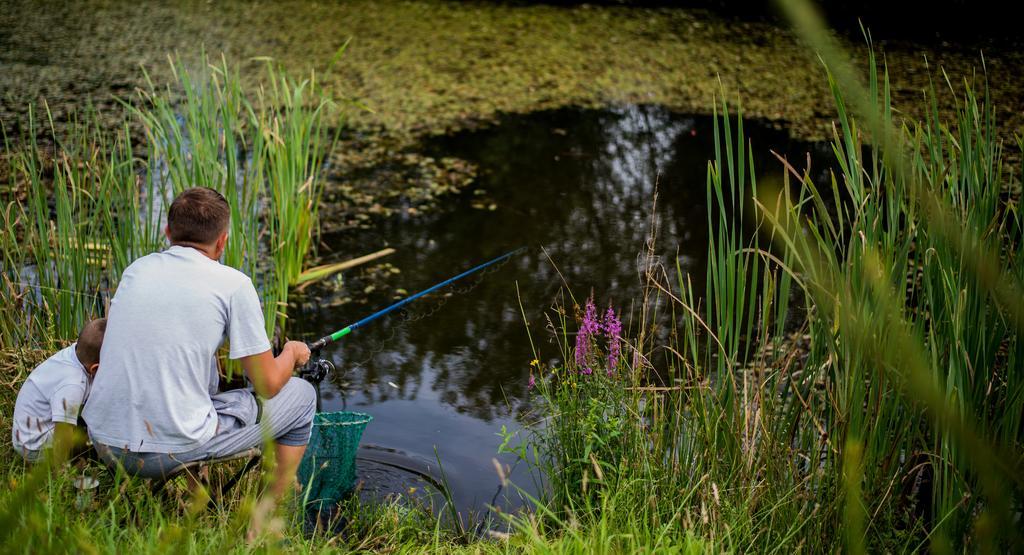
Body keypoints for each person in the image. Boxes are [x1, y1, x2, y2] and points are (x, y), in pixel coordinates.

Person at [83, 187, 315, 500]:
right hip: (166, 454)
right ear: (223, 241)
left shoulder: (136, 270)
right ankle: (267, 519)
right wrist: (292, 352)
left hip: (105, 442)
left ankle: (199, 494)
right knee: (302, 396)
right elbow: (269, 384)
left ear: (167, 233)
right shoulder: (234, 285)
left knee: (203, 375)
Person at [12, 318, 106, 463]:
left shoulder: (78, 354)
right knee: (97, 442)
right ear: (95, 368)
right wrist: (61, 473)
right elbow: (63, 434)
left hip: (32, 428)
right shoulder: (73, 385)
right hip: (33, 445)